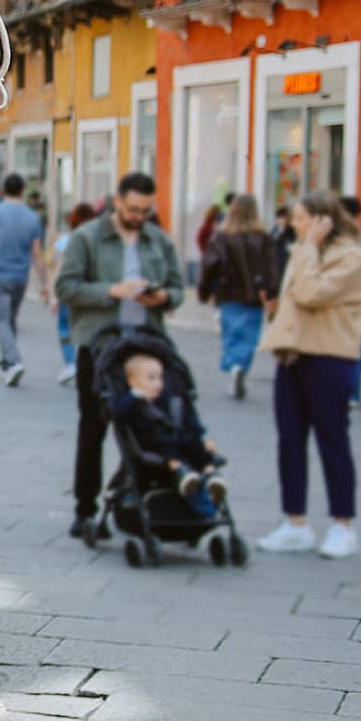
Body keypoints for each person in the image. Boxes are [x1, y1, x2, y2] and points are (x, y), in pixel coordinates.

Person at [53, 172, 184, 539]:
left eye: (145, 210)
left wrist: (163, 298)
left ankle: (140, 501)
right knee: (93, 429)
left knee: (151, 427)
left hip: (147, 347)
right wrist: (112, 290)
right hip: (100, 348)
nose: (139, 216)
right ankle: (85, 508)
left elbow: (177, 287)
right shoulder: (87, 237)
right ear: (117, 201)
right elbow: (66, 287)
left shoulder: (158, 240)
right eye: (132, 209)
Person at [256, 190, 361, 560]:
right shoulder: (303, 250)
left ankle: (343, 525)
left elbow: (308, 294)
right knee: (289, 440)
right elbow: (293, 300)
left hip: (329, 357)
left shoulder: (352, 258)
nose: (294, 225)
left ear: (324, 220)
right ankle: (296, 522)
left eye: (302, 218)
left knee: (332, 441)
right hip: (293, 356)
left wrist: (306, 248)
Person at [112, 352, 229, 513]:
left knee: (192, 440)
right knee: (167, 442)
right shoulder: (133, 404)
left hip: (179, 439)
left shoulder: (169, 400)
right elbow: (119, 415)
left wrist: (203, 438)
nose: (158, 383)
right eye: (151, 378)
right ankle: (182, 471)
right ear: (133, 382)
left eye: (160, 377)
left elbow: (189, 421)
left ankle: (210, 474)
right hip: (155, 444)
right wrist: (135, 396)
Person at [197, 193, 280, 400]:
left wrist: (204, 291)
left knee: (231, 331)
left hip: (228, 292)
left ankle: (233, 365)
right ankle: (240, 364)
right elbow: (272, 267)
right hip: (254, 293)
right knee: (250, 334)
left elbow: (210, 266)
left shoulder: (221, 237)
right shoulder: (264, 238)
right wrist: (272, 291)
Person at [0, 173, 46, 386]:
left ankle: (14, 361)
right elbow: (37, 253)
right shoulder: (32, 217)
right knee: (11, 318)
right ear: (23, 191)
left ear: (3, 190)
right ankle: (6, 362)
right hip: (20, 276)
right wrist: (45, 283)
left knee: (1, 320)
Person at [50, 202, 97, 384]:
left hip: (70, 291)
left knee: (64, 326)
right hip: (90, 291)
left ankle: (70, 363)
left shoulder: (65, 241)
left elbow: (58, 269)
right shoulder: (96, 240)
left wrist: (54, 294)